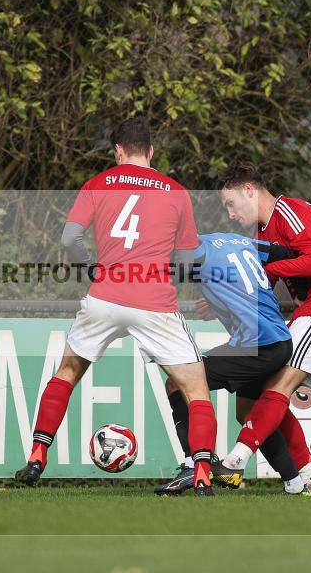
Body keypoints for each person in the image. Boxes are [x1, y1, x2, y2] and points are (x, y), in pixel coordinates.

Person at [14, 116, 218, 496]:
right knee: (196, 390)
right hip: (154, 299)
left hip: (105, 294)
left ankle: (38, 455)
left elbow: (70, 237)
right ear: (151, 151)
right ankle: (203, 472)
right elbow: (190, 258)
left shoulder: (97, 184)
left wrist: (94, 270)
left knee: (68, 371)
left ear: (118, 151)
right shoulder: (175, 191)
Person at [209, 161, 311, 494]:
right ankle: (310, 481)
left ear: (249, 190)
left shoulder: (288, 211)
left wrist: (271, 267)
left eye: (230, 204)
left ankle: (235, 461)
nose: (230, 213)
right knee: (250, 405)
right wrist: (222, 300)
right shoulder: (263, 234)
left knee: (277, 386)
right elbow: (263, 282)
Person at [156, 231, 311, 496]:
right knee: (247, 412)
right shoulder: (236, 240)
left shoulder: (197, 252)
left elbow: (167, 275)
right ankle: (294, 482)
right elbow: (287, 254)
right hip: (277, 341)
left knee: (177, 383)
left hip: (257, 346)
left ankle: (192, 465)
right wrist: (300, 293)